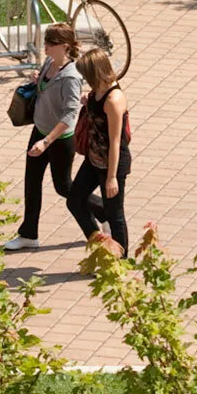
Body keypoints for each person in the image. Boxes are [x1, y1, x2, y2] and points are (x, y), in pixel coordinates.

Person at [16, 23, 86, 250]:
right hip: (40, 130)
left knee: (64, 187)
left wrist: (46, 142)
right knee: (32, 183)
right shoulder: (48, 63)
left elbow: (70, 114)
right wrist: (38, 79)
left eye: (51, 43)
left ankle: (104, 213)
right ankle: (28, 234)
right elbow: (46, 87)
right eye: (46, 41)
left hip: (59, 140)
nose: (45, 46)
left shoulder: (72, 77)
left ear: (65, 46)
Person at [70, 48, 133, 255]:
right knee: (75, 200)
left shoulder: (114, 100)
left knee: (115, 213)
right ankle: (99, 244)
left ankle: (121, 259)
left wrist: (112, 177)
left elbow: (115, 141)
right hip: (94, 157)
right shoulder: (98, 89)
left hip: (111, 162)